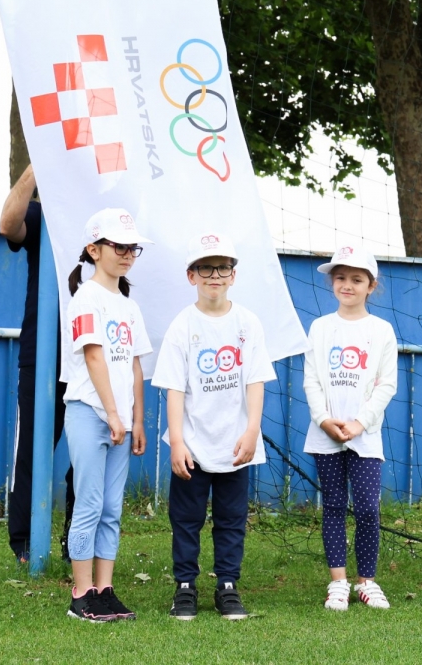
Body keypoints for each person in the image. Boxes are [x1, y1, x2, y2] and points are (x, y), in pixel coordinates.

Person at [152, 232, 276, 621]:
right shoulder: (182, 326)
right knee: (186, 519)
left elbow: (255, 379)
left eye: (223, 267)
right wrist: (176, 441)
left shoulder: (248, 323)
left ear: (233, 275)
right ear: (192, 275)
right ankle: (185, 587)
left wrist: (252, 430)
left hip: (235, 444)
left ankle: (227, 587)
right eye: (206, 267)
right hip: (192, 445)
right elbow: (174, 388)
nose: (215, 275)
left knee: (231, 520)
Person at [62, 208, 151, 622]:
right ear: (94, 249)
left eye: (132, 247)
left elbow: (134, 366)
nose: (127, 253)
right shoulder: (85, 299)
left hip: (121, 421)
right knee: (90, 502)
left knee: (112, 506)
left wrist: (136, 421)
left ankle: (105, 589)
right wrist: (113, 415)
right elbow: (94, 355)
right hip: (89, 412)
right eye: (118, 246)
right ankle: (80, 594)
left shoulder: (128, 306)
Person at [302, 246, 399, 611]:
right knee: (333, 507)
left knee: (368, 509)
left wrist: (360, 423)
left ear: (371, 285)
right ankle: (338, 582)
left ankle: (367, 582)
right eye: (340, 277)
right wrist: (325, 420)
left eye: (357, 279)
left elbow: (386, 384)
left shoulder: (381, 331)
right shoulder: (320, 327)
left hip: (366, 437)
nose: (347, 285)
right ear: (332, 282)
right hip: (326, 436)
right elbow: (311, 380)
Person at [0, 164, 74, 564]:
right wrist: (36, 168)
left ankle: (78, 543)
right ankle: (25, 542)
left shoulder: (111, 226)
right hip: (42, 354)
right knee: (32, 447)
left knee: (90, 452)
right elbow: (7, 224)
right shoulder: (45, 216)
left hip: (96, 356)